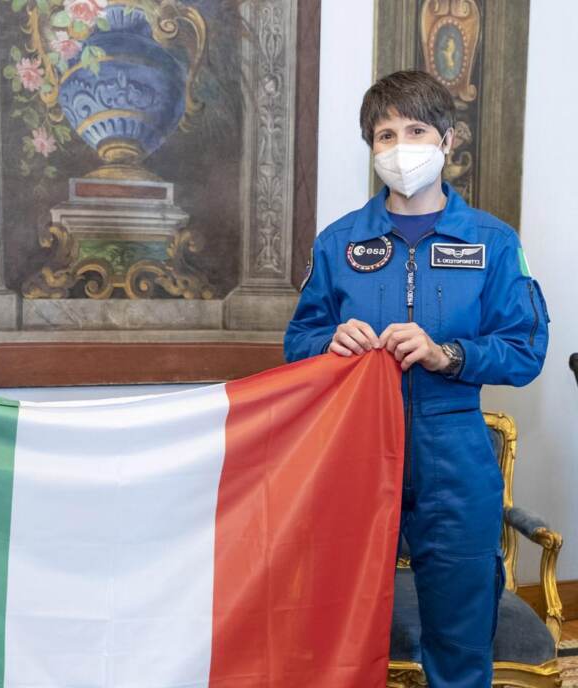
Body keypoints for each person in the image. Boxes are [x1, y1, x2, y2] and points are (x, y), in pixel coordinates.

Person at [285, 70, 548, 687]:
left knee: (460, 643)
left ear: (447, 141)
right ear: (371, 148)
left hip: (454, 458)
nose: (400, 147)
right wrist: (329, 342)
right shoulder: (338, 243)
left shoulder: (493, 243)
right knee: (336, 632)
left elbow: (525, 349)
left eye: (416, 131)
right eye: (385, 135)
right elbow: (298, 342)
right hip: (353, 455)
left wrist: (447, 354)